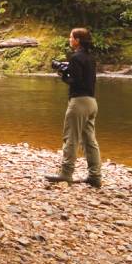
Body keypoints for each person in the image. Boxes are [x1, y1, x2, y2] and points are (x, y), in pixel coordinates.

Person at [45, 27, 102, 187]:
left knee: (71, 137)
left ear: (77, 40)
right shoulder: (90, 57)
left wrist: (63, 75)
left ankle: (66, 173)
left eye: (71, 37)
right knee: (90, 141)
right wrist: (66, 71)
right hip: (91, 102)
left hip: (79, 103)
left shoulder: (76, 58)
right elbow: (85, 80)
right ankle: (95, 176)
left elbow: (76, 82)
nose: (69, 39)